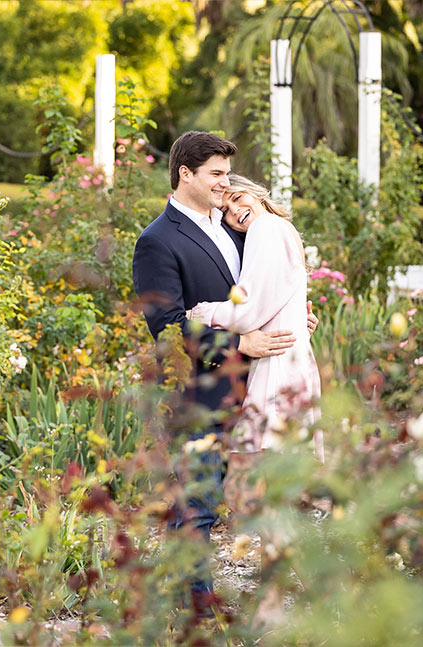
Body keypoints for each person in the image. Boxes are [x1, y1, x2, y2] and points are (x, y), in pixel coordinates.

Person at [131, 132, 317, 600]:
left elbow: (260, 289)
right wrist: (241, 344)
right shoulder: (156, 241)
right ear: (184, 174)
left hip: (255, 386)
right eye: (215, 174)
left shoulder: (237, 224)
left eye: (226, 174)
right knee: (198, 506)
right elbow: (168, 327)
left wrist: (291, 314)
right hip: (204, 391)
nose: (224, 183)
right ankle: (194, 608)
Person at [187, 174, 323, 514]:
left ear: (255, 192)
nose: (235, 209)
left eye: (237, 197)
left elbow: (247, 312)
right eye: (227, 208)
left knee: (256, 488)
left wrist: (201, 312)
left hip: (275, 366)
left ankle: (278, 559)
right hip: (289, 358)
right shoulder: (281, 229)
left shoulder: (265, 229)